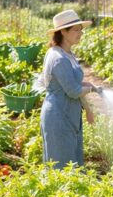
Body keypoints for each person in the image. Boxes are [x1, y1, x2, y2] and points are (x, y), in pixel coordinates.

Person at [39, 9, 100, 168]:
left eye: (81, 29)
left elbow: (76, 85)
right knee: (61, 165)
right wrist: (92, 88)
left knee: (72, 160)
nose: (80, 33)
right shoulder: (58, 59)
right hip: (58, 115)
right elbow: (73, 90)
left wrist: (88, 109)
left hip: (69, 113)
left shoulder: (68, 54)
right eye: (76, 29)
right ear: (63, 32)